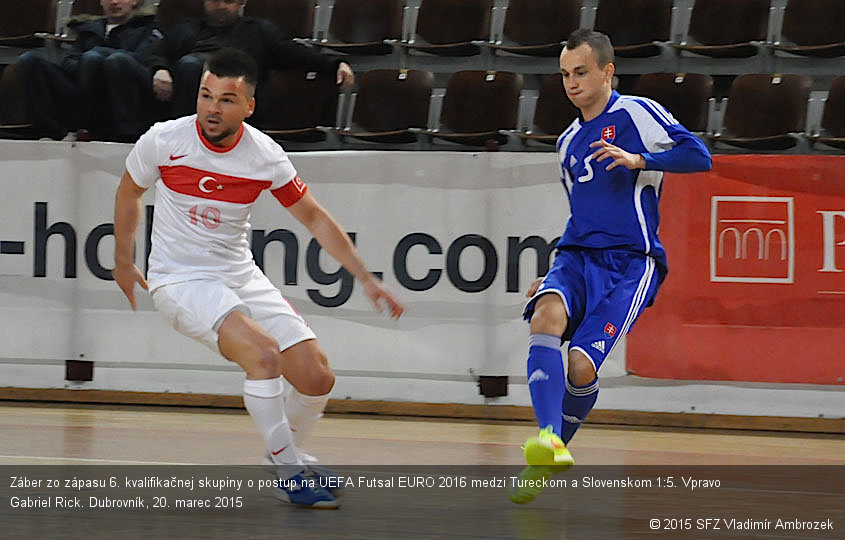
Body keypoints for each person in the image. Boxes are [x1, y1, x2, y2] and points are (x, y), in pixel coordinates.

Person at [112, 48, 403, 509]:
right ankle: (289, 469)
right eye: (205, 95)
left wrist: (365, 278)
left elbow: (316, 219)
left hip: (238, 274)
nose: (211, 108)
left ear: (249, 106)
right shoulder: (164, 140)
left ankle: (281, 449)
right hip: (181, 280)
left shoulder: (264, 155)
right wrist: (123, 260)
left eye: (226, 99)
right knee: (265, 358)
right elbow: (129, 192)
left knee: (316, 377)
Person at [509, 29, 712, 505]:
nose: (571, 83)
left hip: (631, 264)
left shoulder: (634, 113)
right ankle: (547, 438)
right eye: (564, 74)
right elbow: (580, 212)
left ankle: (553, 451)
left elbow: (699, 156)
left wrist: (639, 158)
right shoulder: (566, 142)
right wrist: (555, 269)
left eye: (580, 72)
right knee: (545, 316)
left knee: (580, 365)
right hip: (577, 257)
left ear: (607, 71)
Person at [148, 0, 354, 120]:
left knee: (191, 66)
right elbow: (158, 50)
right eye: (214, 0)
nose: (221, 6)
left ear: (241, 3)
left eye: (228, 1)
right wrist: (160, 69)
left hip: (236, 103)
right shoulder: (187, 29)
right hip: (191, 92)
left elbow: (294, 52)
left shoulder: (258, 30)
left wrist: (335, 64)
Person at [16, 0, 160, 141]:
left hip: (120, 93)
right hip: (82, 87)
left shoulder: (147, 27)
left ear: (134, 1)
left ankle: (85, 128)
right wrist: (88, 66)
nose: (114, 2)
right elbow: (68, 61)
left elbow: (144, 58)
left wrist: (98, 55)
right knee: (29, 60)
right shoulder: (90, 28)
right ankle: (51, 132)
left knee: (100, 57)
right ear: (101, 2)